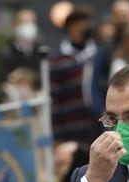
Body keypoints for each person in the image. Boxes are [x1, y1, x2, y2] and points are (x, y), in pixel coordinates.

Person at [49, 6, 100, 145]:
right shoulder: (57, 61)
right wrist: (57, 135)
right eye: (82, 23)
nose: (87, 27)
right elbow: (55, 100)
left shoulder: (99, 55)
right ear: (71, 27)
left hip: (99, 129)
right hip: (71, 133)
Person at [0, 8, 46, 82]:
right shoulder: (7, 52)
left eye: (32, 22)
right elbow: (2, 79)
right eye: (24, 22)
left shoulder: (42, 50)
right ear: (15, 25)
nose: (29, 26)